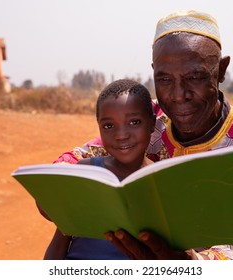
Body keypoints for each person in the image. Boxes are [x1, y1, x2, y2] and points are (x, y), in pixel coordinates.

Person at [47, 10, 233, 260]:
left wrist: (191, 262)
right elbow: (82, 157)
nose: (178, 94)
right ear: (153, 73)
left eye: (194, 76)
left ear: (221, 70)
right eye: (164, 79)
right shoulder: (145, 119)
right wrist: (54, 193)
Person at [42, 79, 156, 259]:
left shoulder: (162, 179)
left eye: (134, 122)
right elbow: (60, 240)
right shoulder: (86, 172)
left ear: (152, 123)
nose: (121, 135)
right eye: (109, 126)